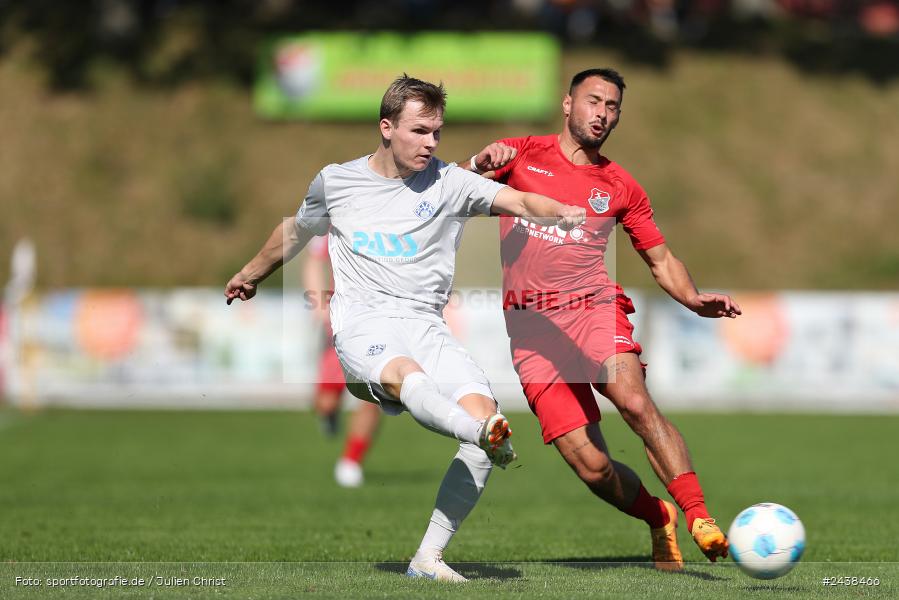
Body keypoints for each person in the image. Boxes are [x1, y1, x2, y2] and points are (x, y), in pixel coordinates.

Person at [225, 75, 585, 582]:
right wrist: (249, 274)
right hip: (363, 325)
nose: (431, 143)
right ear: (386, 126)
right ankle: (481, 434)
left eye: (437, 132)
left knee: (486, 413)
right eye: (420, 131)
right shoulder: (336, 181)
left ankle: (428, 559)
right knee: (408, 377)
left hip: (425, 324)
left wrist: (562, 211)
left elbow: (522, 202)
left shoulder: (450, 183)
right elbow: (295, 231)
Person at [462, 67, 741, 571]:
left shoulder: (619, 185)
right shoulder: (519, 154)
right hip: (531, 330)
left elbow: (660, 258)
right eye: (594, 101)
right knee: (591, 468)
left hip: (592, 307)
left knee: (634, 401)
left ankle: (699, 514)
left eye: (612, 107)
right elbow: (448, 194)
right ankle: (658, 515)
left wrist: (693, 299)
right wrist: (479, 162)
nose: (603, 114)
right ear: (568, 105)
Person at [302, 236, 381, 488]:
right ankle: (328, 414)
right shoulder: (339, 212)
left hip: (382, 321)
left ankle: (351, 461)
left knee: (374, 396)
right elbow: (314, 260)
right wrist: (320, 309)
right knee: (326, 402)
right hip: (341, 321)